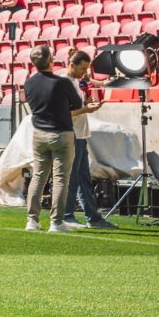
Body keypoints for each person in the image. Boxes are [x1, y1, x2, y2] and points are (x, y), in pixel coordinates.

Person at [60, 49, 118, 230]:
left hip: (80, 133)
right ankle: (67, 215)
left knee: (83, 177)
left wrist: (88, 105)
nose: (85, 72)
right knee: (73, 177)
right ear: (72, 65)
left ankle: (92, 216)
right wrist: (87, 109)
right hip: (72, 134)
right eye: (82, 68)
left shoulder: (77, 81)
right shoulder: (64, 83)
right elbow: (64, 113)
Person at [23, 45, 78, 233]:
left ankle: (32, 220)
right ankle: (56, 222)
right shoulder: (61, 82)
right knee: (61, 179)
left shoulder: (29, 83)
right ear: (50, 60)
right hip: (61, 133)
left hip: (38, 134)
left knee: (38, 177)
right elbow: (77, 103)